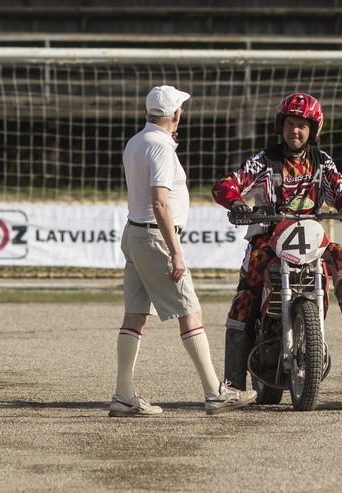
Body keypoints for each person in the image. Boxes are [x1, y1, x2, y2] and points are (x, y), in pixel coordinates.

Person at [212, 92, 342, 390]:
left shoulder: (322, 162)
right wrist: (237, 203)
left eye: (302, 125)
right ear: (281, 126)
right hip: (268, 241)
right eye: (290, 123)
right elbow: (227, 185)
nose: (295, 131)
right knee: (244, 300)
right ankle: (234, 384)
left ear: (313, 129)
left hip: (311, 241)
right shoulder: (264, 160)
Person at [109, 85, 256, 417]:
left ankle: (122, 395)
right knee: (191, 313)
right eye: (181, 109)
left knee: (134, 317)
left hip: (134, 234)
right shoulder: (160, 147)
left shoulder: (136, 141)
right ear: (175, 114)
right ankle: (215, 393)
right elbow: (160, 202)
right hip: (154, 238)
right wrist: (175, 251)